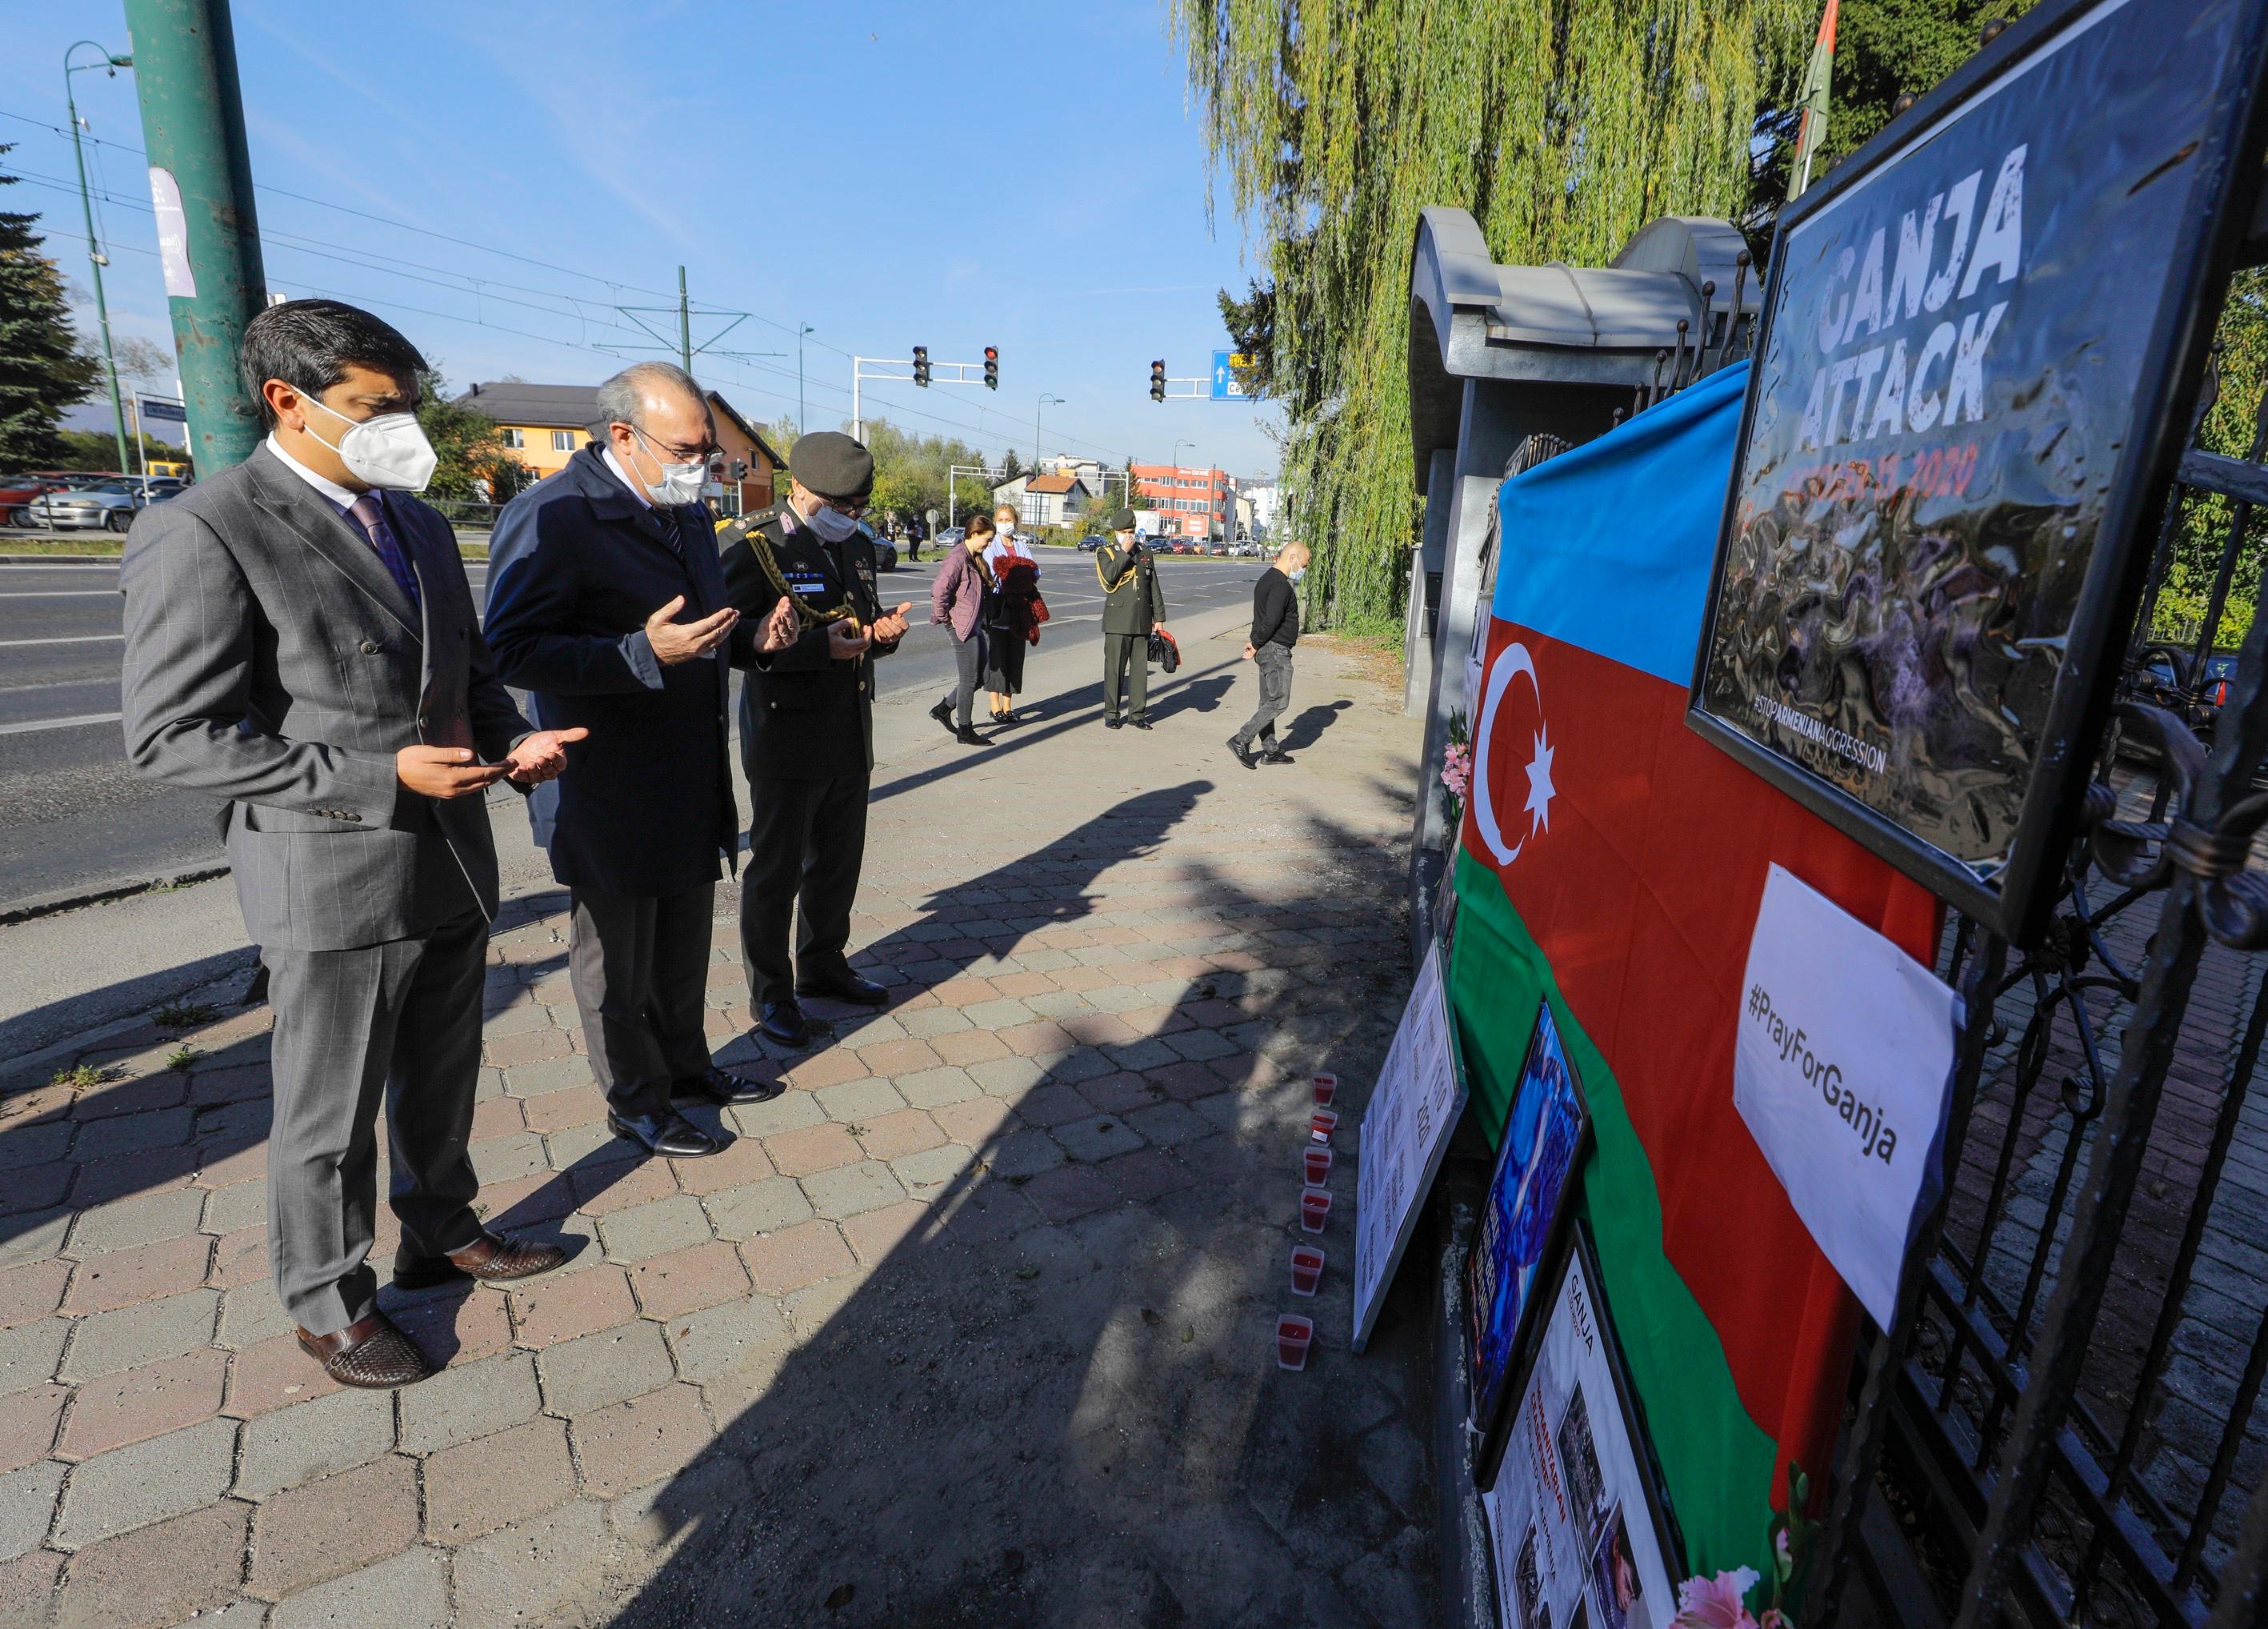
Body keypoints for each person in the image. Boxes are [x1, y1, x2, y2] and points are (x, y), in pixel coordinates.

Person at [120, 299, 586, 1389]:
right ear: (287, 401)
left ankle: (441, 1229)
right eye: (377, 410)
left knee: (442, 1074)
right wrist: (379, 777)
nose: (404, 431)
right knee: (327, 1114)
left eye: (410, 407)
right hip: (328, 869)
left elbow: (459, 671)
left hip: (452, 850)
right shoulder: (208, 527)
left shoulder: (416, 521)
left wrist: (513, 738)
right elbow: (173, 740)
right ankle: (328, 1303)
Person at [483, 362, 801, 1161]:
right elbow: (510, 651)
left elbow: (698, 633)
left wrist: (752, 643)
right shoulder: (554, 515)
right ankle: (637, 1101)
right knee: (617, 963)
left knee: (684, 942)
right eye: (689, 448)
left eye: (711, 451)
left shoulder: (684, 508)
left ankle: (687, 1070)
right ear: (622, 435)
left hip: (688, 769)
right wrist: (637, 652)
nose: (706, 466)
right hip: (605, 782)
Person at [719, 431, 914, 1048]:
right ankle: (771, 994)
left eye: (858, 507)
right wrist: (810, 647)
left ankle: (824, 964)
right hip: (786, 729)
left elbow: (856, 615)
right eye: (842, 506)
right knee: (776, 871)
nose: (852, 519)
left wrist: (881, 635)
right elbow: (722, 638)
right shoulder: (751, 544)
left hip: (847, 726)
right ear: (800, 489)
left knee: (836, 863)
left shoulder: (854, 543)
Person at [1228, 540, 1309, 767]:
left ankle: (1270, 751)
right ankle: (1241, 740)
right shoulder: (1281, 586)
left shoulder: (1266, 580)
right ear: (1292, 557)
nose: (1304, 568)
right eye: (1304, 563)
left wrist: (1254, 643)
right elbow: (1271, 620)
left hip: (1266, 649)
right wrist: (1256, 642)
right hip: (1275, 651)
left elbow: (1260, 617)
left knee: (1268, 702)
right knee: (1279, 701)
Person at [1094, 509, 1167, 730]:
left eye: (1131, 531)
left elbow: (1153, 585)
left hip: (1142, 619)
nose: (1129, 535)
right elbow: (1109, 577)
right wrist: (1124, 553)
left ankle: (1137, 714)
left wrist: (1159, 618)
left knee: (1139, 671)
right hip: (1118, 620)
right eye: (1125, 531)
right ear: (1116, 532)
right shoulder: (1105, 552)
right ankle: (1112, 713)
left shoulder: (1145, 552)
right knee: (1114, 669)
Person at [929, 512, 995, 746]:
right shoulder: (957, 558)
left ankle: (944, 709)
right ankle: (965, 731)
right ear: (974, 534)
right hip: (961, 627)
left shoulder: (971, 558)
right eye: (986, 539)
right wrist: (945, 618)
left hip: (974, 625)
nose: (988, 544)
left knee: (984, 676)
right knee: (969, 678)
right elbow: (939, 590)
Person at [982, 503, 1042, 722]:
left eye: (1009, 520)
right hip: (999, 605)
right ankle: (995, 706)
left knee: (1015, 656)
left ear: (1015, 522)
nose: (1005, 524)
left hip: (1020, 608)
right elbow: (993, 571)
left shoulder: (1021, 545)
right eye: (1001, 519)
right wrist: (1016, 570)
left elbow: (1034, 570)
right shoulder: (991, 546)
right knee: (997, 655)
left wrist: (1012, 569)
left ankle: (1008, 706)